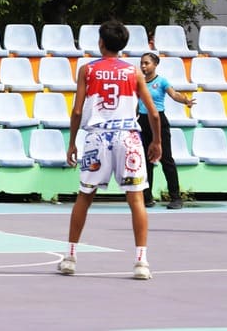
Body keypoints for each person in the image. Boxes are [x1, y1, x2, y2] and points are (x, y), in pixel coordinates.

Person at [59, 20, 161, 280]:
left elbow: (78, 110)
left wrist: (72, 142)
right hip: (128, 136)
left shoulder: (87, 70)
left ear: (101, 42)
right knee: (136, 199)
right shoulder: (133, 72)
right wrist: (156, 141)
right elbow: (153, 113)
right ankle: (141, 262)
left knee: (85, 196)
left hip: (97, 137)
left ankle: (70, 256)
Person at [138, 52, 193, 209]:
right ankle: (147, 197)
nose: (143, 66)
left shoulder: (161, 81)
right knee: (145, 162)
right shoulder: (139, 82)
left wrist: (185, 101)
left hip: (159, 121)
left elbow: (174, 94)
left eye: (147, 63)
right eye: (142, 63)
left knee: (166, 159)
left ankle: (176, 197)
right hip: (142, 121)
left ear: (155, 64)